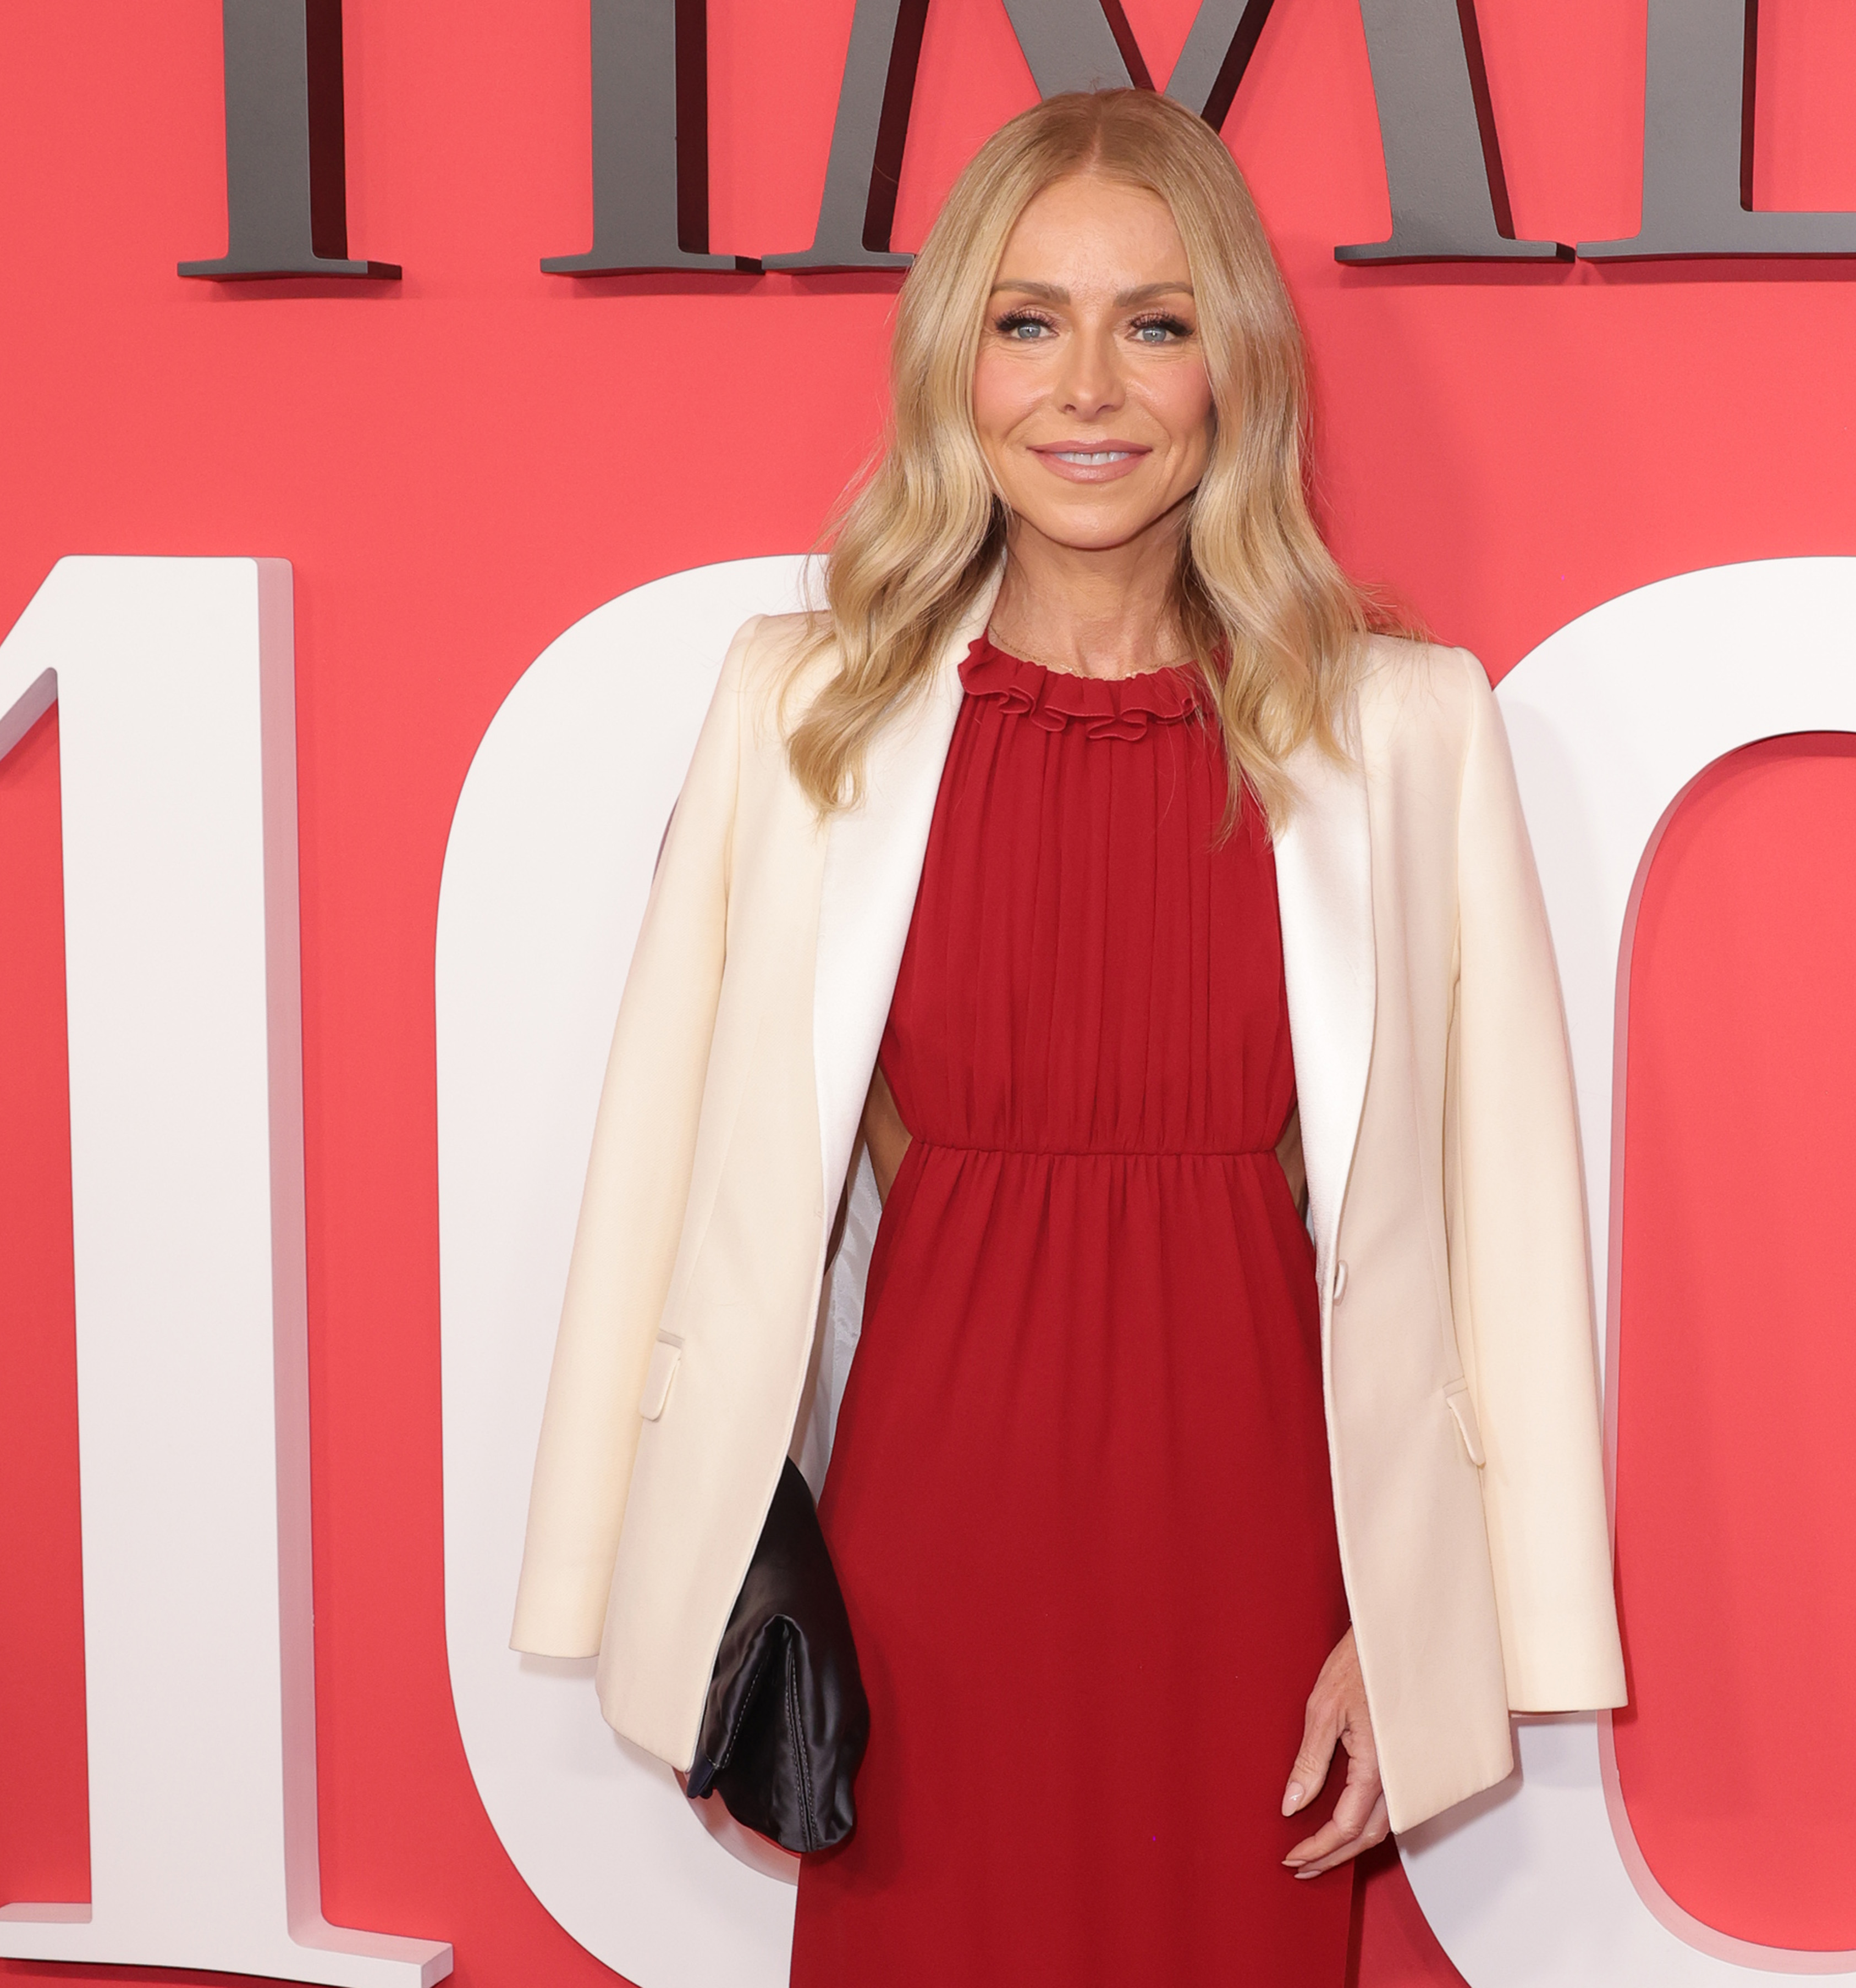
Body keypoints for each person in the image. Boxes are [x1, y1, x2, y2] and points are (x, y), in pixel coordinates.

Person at [510, 87, 1626, 1987]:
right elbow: (658, 1166)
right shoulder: (804, 712)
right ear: (958, 365)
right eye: (1029, 322)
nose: (1088, 387)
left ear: (1232, 372)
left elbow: (1510, 1215)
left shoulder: (1407, 728)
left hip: (1259, 1545)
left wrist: (1428, 1622)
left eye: (1157, 322)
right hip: (924, 1540)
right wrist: (652, 1571)